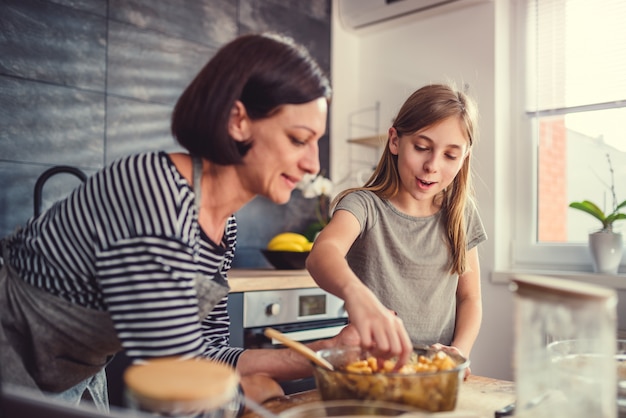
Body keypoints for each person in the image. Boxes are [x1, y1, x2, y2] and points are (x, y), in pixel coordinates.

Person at [0, 32, 359, 412]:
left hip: (71, 374)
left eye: (316, 142)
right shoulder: (153, 193)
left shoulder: (223, 225)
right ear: (238, 121)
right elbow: (179, 374)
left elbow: (208, 351)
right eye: (298, 139)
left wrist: (315, 355)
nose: (313, 164)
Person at [306, 83, 486, 374]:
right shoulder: (363, 205)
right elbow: (322, 253)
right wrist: (358, 295)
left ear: (465, 156)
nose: (432, 165)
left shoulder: (461, 213)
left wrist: (460, 352)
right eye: (422, 148)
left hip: (435, 375)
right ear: (394, 141)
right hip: (370, 370)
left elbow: (470, 298)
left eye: (450, 155)